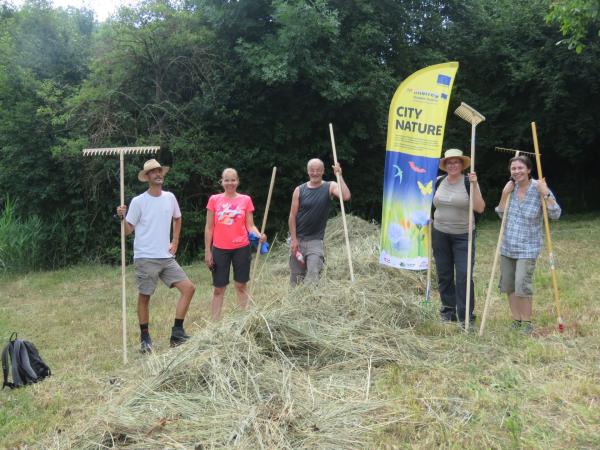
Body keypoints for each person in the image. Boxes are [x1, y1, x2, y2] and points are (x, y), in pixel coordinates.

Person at [116, 159, 196, 353]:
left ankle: (177, 333)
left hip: (166, 257)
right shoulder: (138, 201)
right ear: (147, 177)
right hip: (145, 256)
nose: (158, 174)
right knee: (145, 296)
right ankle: (145, 338)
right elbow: (127, 231)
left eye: (160, 171)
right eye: (153, 172)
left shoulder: (170, 197)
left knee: (189, 289)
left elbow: (178, 218)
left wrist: (175, 241)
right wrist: (121, 218)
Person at [495, 155, 561, 334]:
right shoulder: (510, 189)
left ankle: (527, 322)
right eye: (513, 169)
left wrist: (546, 193)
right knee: (509, 285)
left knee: (522, 284)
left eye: (520, 168)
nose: (516, 171)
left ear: (529, 169)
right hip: (508, 246)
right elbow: (501, 214)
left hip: (528, 248)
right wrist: (504, 193)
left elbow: (555, 214)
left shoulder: (539, 188)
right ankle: (516, 319)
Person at [431, 148, 485, 323]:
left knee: (463, 275)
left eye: (456, 162)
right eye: (449, 162)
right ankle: (448, 311)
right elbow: (432, 203)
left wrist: (475, 185)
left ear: (462, 165)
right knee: (444, 274)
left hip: (463, 235)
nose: (452, 165)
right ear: (445, 165)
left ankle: (465, 316)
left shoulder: (469, 182)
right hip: (439, 233)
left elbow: (480, 208)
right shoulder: (438, 181)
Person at [204, 168, 265, 320]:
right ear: (222, 181)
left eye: (233, 180)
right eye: (226, 180)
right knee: (219, 288)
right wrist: (208, 251)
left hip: (241, 248)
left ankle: (243, 320)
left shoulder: (246, 200)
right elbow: (209, 227)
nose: (230, 183)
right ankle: (215, 325)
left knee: (241, 286)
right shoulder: (214, 200)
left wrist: (259, 235)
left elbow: (250, 226)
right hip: (219, 249)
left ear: (237, 181)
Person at [288, 158, 351, 286]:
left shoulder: (330, 186)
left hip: (316, 241)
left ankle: (312, 303)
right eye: (312, 170)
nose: (315, 173)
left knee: (313, 276)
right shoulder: (299, 190)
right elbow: (292, 216)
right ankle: (296, 304)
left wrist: (339, 176)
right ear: (308, 171)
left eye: (318, 170)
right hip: (298, 240)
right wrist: (293, 240)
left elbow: (345, 196)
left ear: (323, 171)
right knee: (296, 278)